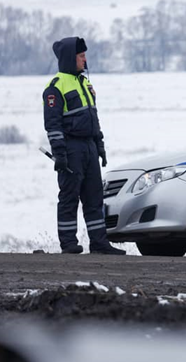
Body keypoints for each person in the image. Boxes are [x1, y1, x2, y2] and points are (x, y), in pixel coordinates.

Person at [43, 36, 125, 255]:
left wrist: (100, 146)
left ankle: (99, 243)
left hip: (89, 148)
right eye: (81, 56)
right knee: (69, 197)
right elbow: (52, 125)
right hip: (71, 149)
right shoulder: (55, 88)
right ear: (71, 58)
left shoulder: (85, 83)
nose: (84, 60)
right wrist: (60, 154)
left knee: (94, 197)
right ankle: (69, 244)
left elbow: (94, 118)